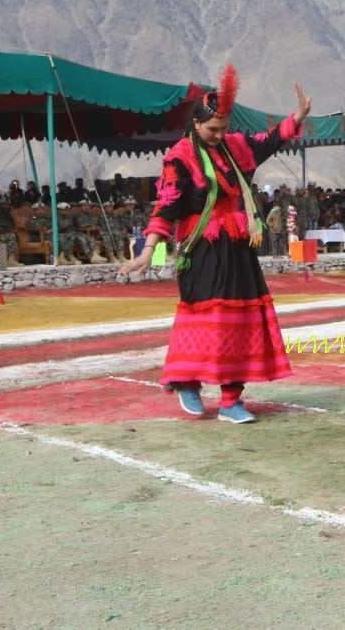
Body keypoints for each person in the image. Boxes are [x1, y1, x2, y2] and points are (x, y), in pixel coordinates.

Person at [122, 66, 310, 424]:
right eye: (213, 129)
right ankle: (187, 381)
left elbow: (267, 141)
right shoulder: (179, 158)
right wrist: (148, 250)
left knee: (241, 318)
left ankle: (230, 400)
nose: (220, 134)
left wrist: (296, 118)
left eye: (224, 128)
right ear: (195, 125)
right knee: (207, 317)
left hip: (237, 246)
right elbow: (167, 205)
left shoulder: (234, 147)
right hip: (202, 247)